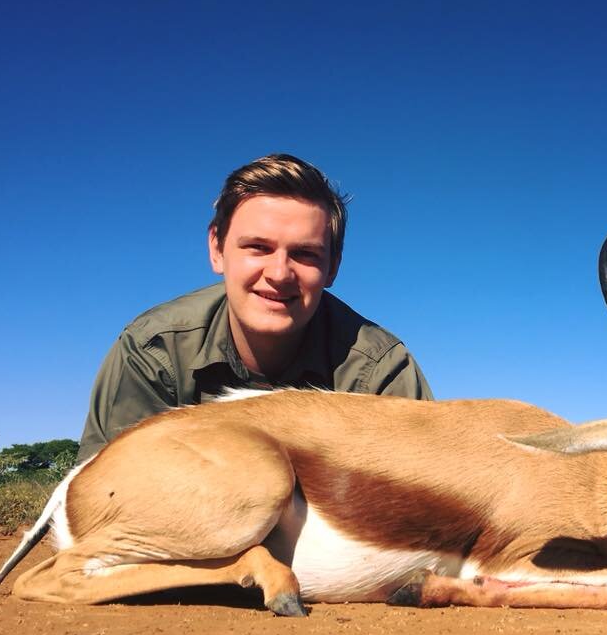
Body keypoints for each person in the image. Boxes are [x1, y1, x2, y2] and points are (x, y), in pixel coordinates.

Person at [77, 154, 432, 461]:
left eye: (305, 254)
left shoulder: (380, 370)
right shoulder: (154, 350)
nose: (279, 274)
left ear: (333, 267)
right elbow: (107, 496)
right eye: (258, 247)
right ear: (217, 248)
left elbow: (420, 505)